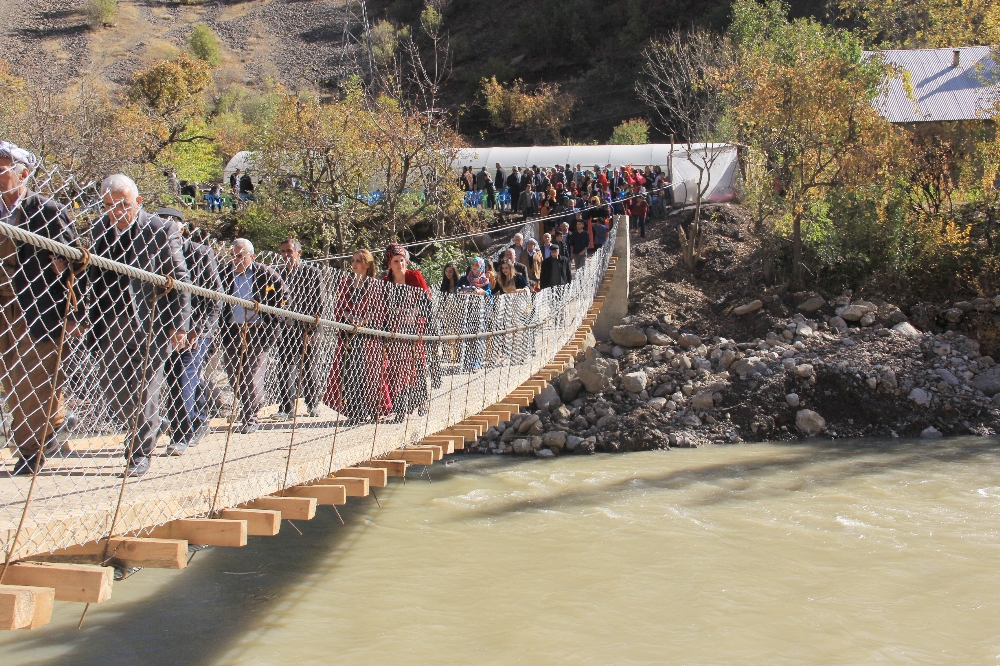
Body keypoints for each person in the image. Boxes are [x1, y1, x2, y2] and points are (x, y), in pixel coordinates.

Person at [89, 174, 191, 476]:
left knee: (146, 389)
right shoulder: (99, 228)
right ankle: (150, 425)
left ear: (139, 201)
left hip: (152, 321)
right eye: (109, 206)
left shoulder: (161, 229)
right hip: (112, 319)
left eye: (123, 205)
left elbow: (180, 278)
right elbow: (93, 277)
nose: (116, 212)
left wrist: (180, 324)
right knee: (114, 388)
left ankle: (140, 454)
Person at [0, 141, 85, 474]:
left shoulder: (46, 210)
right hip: (3, 306)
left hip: (37, 307)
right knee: (10, 380)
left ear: (23, 174)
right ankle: (53, 425)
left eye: (2, 169)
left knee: (31, 380)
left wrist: (75, 311)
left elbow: (78, 261)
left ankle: (29, 453)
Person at [156, 208, 223, 456]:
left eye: (169, 224)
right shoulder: (152, 252)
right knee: (179, 377)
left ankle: (180, 434)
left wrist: (199, 330)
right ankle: (200, 419)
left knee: (184, 377)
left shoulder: (200, 253)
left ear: (181, 229)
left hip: (196, 330)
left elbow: (216, 296)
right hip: (164, 329)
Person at [219, 238, 289, 434]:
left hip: (259, 330)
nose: (236, 260)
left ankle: (251, 416)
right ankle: (252, 402)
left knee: (252, 374)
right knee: (234, 373)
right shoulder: (225, 273)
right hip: (232, 330)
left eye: (240, 256)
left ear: (252, 256)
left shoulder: (265, 273)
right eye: (233, 256)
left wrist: (269, 316)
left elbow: (285, 297)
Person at [324, 250, 392, 422]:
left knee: (371, 372)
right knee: (350, 371)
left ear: (367, 264)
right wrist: (351, 319)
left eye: (358, 261)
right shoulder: (345, 283)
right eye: (353, 260)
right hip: (349, 334)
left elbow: (378, 309)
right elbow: (340, 306)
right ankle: (355, 411)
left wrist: (364, 320)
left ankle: (376, 408)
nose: (354, 264)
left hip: (369, 335)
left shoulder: (375, 285)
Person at [275, 238, 325, 420]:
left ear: (298, 253)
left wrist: (313, 330)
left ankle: (313, 404)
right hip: (286, 328)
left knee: (309, 367)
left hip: (308, 327)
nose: (286, 255)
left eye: (289, 251)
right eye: (283, 252)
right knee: (286, 367)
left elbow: (319, 303)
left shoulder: (312, 273)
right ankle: (286, 407)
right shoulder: (279, 274)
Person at [381, 243, 431, 419]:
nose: (400, 264)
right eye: (395, 261)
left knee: (415, 364)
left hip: (414, 328)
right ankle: (401, 407)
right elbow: (382, 307)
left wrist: (414, 312)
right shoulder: (385, 282)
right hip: (394, 330)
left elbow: (427, 301)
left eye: (402, 260)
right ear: (389, 263)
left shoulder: (414, 277)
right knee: (397, 368)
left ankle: (421, 400)